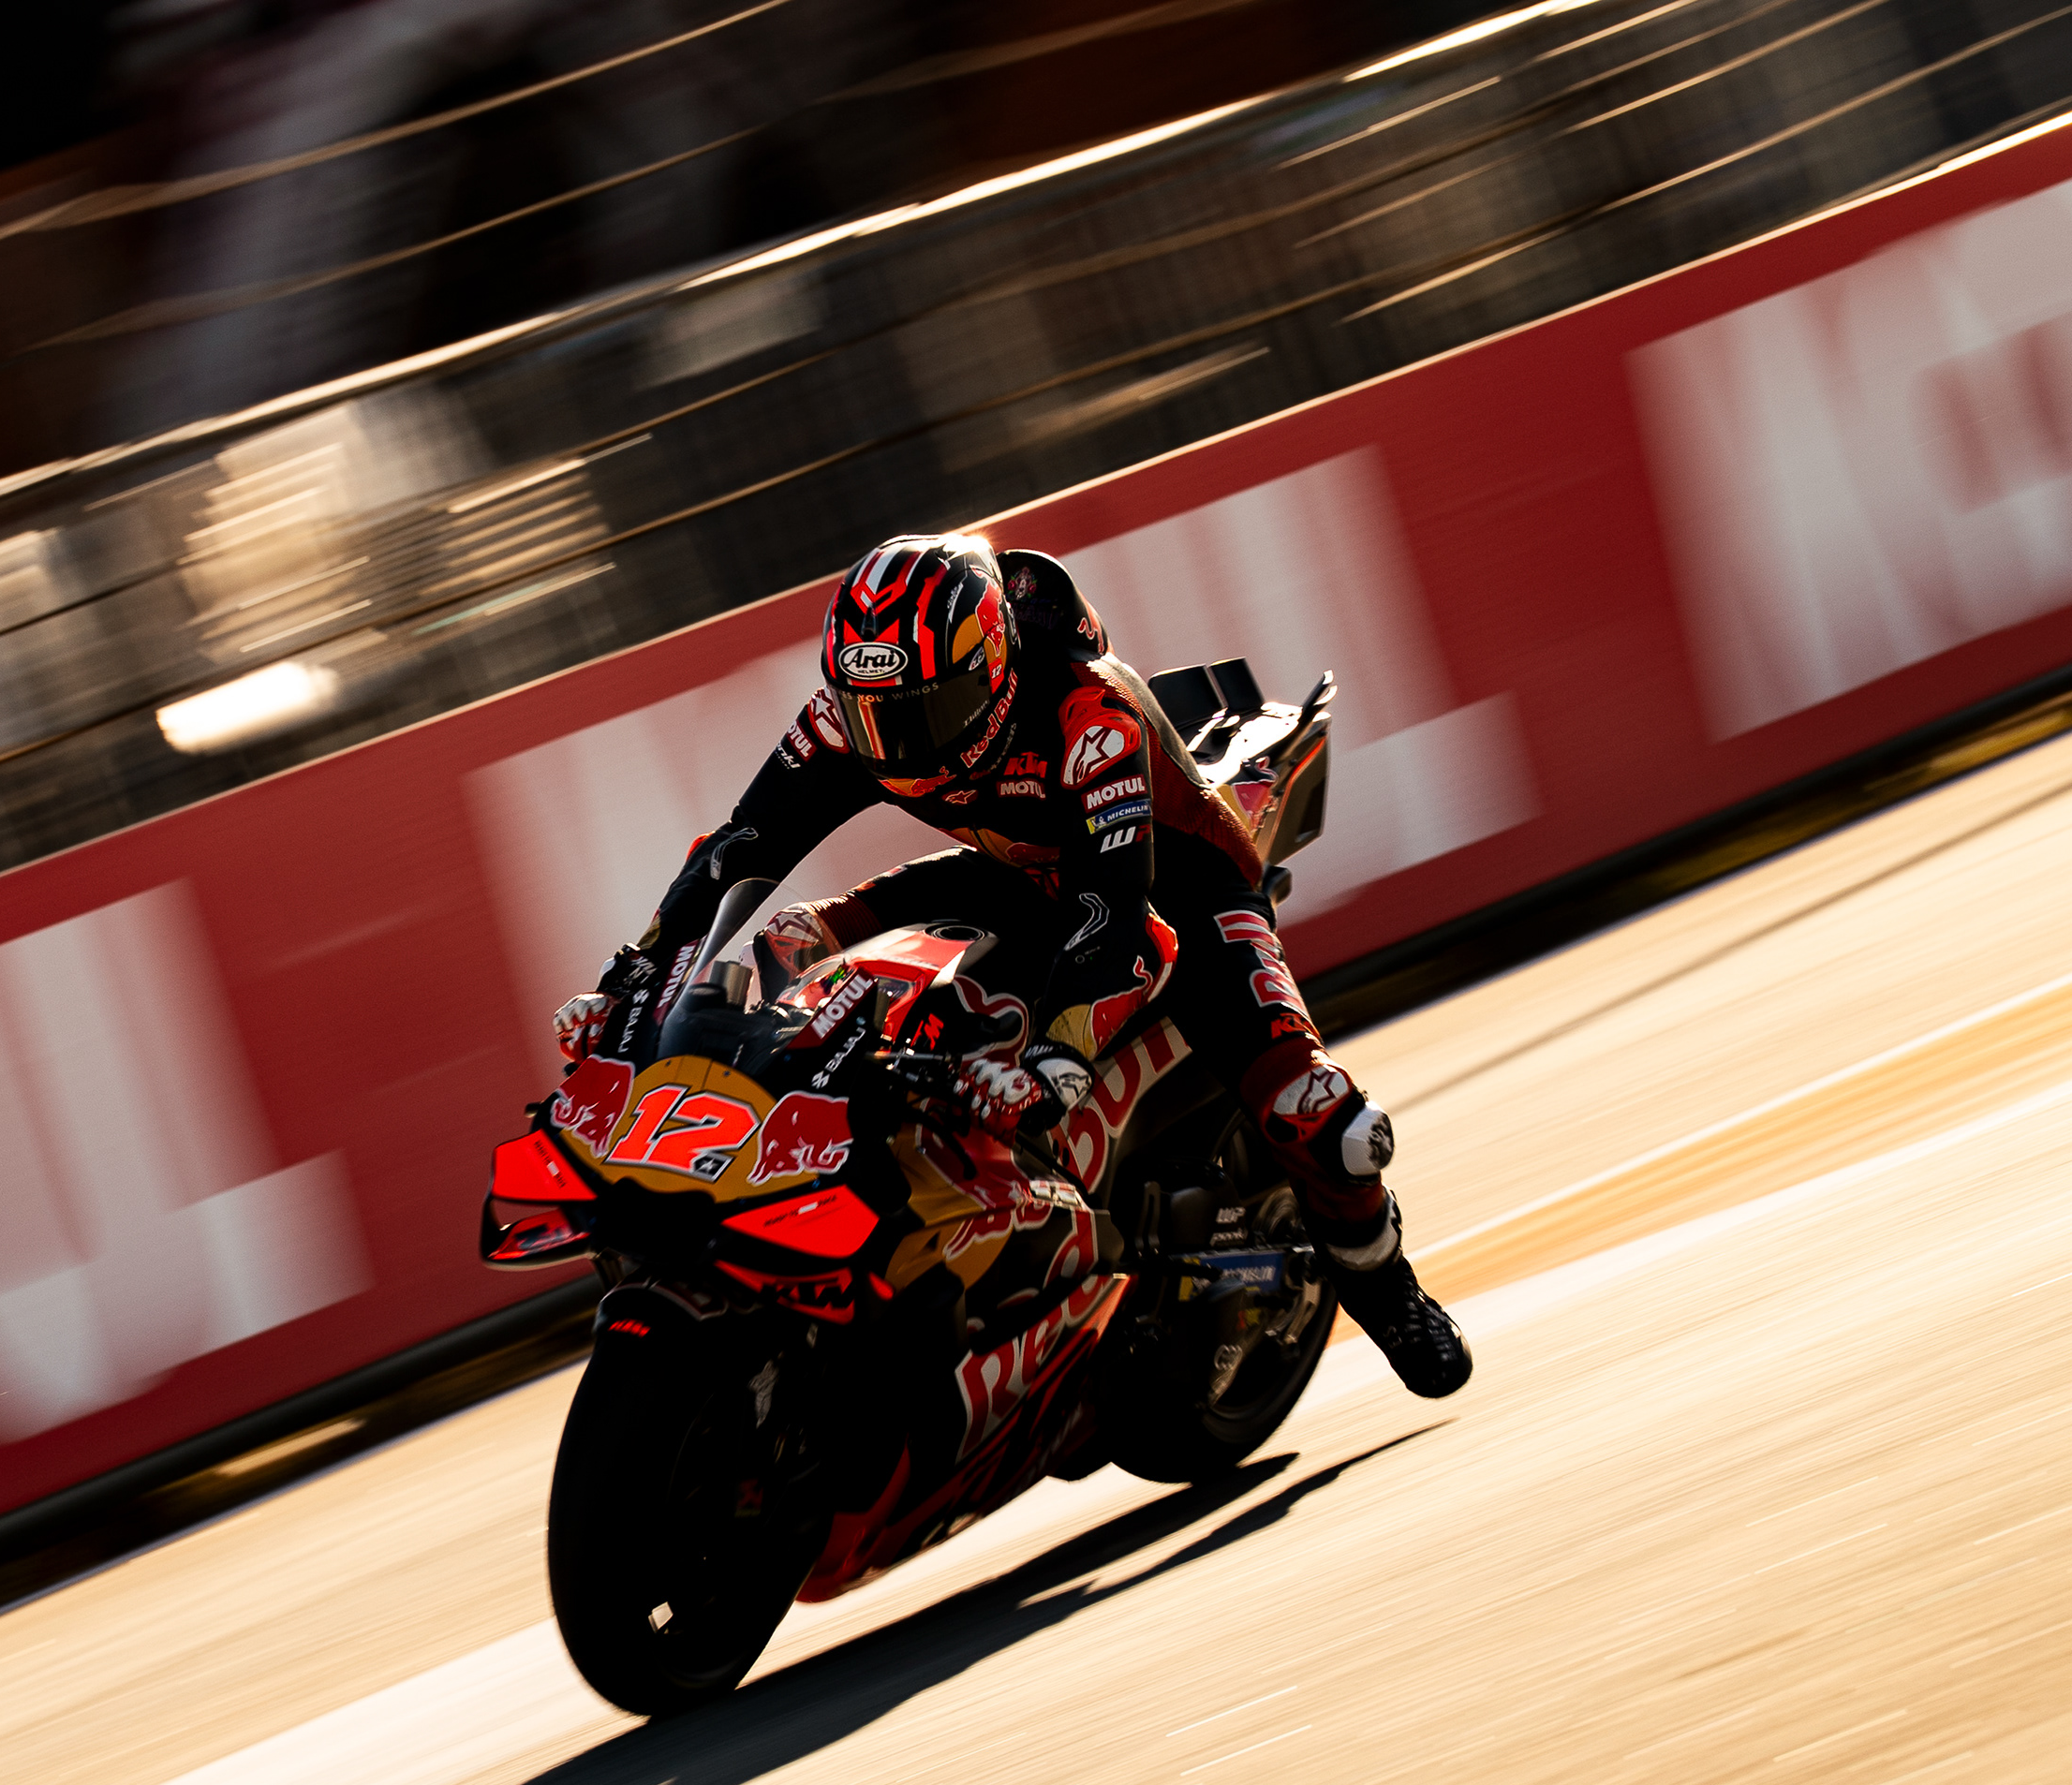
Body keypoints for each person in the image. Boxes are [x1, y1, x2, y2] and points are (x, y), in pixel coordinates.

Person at [552, 530, 1473, 1398]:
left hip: (1173, 887)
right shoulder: (851, 718)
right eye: (874, 714)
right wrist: (634, 979)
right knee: (796, 937)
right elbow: (738, 852)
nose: (897, 739)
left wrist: (1056, 1061)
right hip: (1019, 868)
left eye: (925, 710)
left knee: (1321, 1115)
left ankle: (1388, 1290)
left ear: (992, 671)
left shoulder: (1087, 713)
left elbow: (1119, 915)